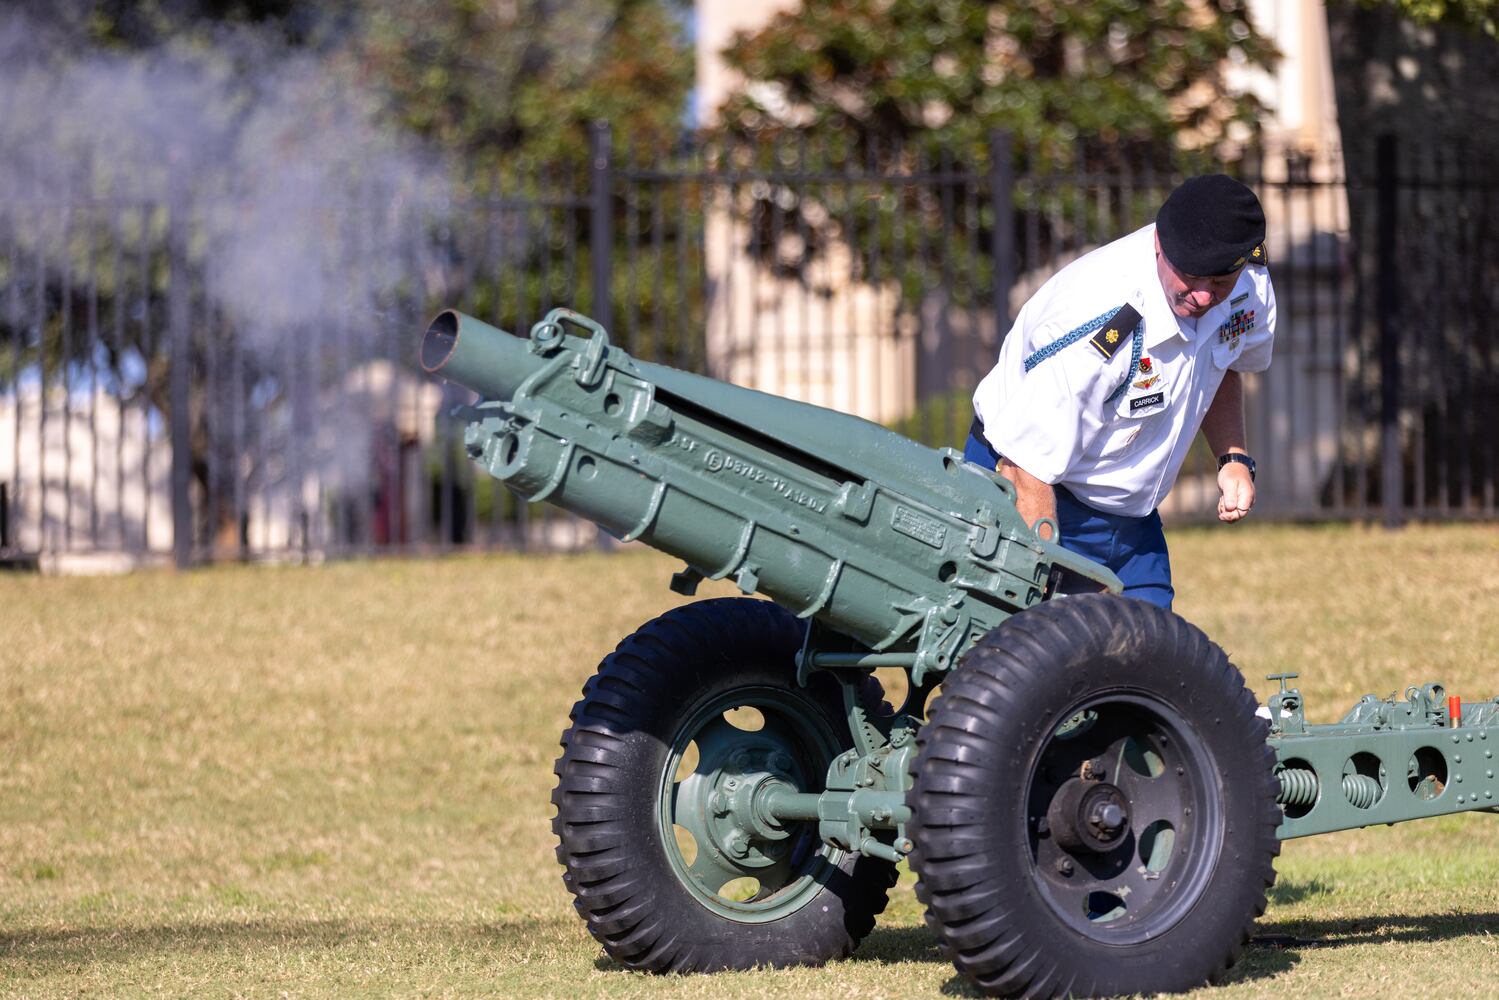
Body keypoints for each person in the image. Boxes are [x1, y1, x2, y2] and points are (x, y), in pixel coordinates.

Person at [963, 173, 1274, 610]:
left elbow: (1221, 363)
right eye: (1190, 276)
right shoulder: (1099, 320)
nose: (1204, 297)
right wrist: (1038, 583)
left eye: (1219, 282)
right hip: (1030, 491)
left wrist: (1234, 457)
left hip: (1131, 521)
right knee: (1022, 664)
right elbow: (1025, 466)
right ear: (1159, 245)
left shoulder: (1246, 285)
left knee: (1154, 662)